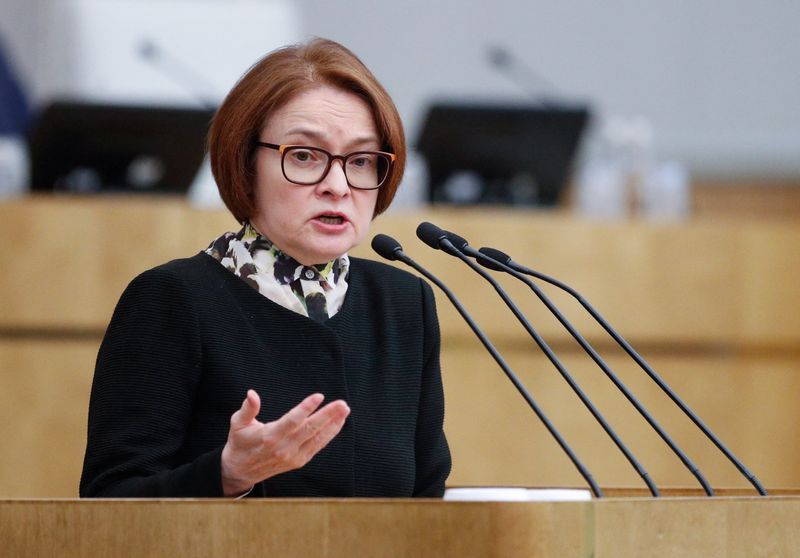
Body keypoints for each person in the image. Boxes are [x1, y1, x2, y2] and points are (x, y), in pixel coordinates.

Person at [80, 38, 451, 498]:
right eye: (304, 156)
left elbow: (428, 501)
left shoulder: (402, 304)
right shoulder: (172, 300)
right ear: (244, 162)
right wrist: (227, 475)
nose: (337, 185)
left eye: (360, 161)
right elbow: (108, 503)